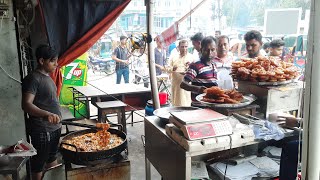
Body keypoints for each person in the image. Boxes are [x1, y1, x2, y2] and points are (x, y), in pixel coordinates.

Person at [21, 45, 61, 180]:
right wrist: (47, 114)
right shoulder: (33, 78)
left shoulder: (47, 77)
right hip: (43, 131)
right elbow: (26, 105)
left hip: (54, 128)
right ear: (41, 61)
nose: (57, 64)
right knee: (39, 164)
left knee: (52, 159)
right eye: (53, 61)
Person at [180, 36, 218, 104]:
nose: (209, 53)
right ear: (201, 50)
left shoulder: (214, 65)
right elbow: (183, 84)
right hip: (199, 105)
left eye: (212, 50)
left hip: (211, 104)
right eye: (206, 50)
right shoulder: (195, 66)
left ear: (216, 50)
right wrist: (198, 89)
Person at [167, 39, 195, 106]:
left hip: (186, 83)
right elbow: (167, 68)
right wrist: (172, 68)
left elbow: (194, 70)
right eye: (182, 47)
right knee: (176, 101)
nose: (184, 48)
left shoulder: (191, 57)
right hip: (176, 83)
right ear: (178, 47)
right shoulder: (173, 56)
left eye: (186, 46)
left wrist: (189, 69)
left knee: (186, 101)